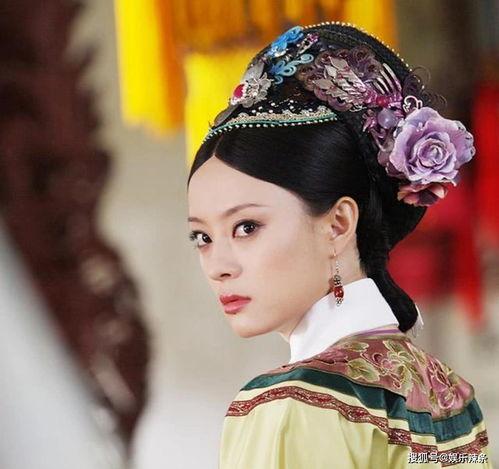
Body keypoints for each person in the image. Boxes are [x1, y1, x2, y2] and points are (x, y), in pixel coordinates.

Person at [186, 22, 492, 468]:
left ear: (338, 223)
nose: (218, 265)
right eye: (202, 237)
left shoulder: (290, 404)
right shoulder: (449, 394)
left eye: (247, 227)